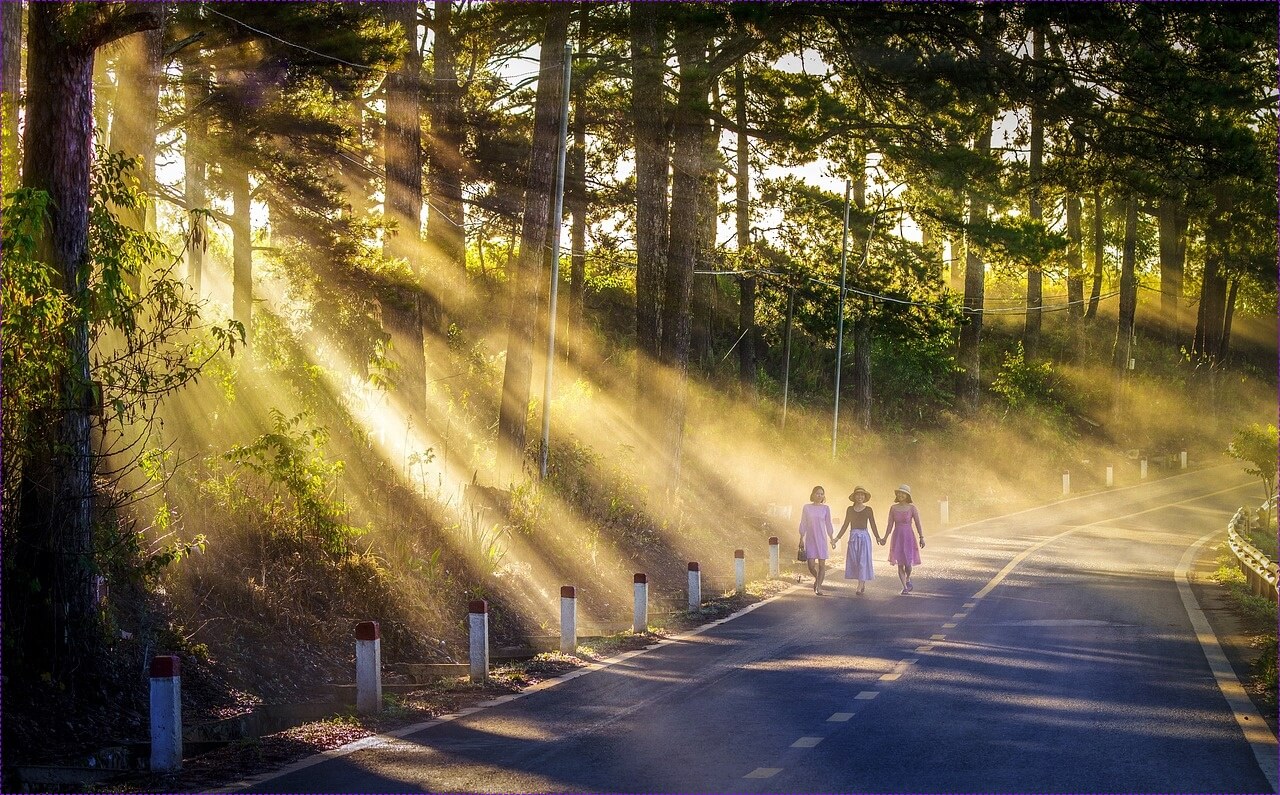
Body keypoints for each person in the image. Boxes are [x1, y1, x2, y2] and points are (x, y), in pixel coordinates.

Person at [833, 486, 879, 595]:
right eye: (858, 495)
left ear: (864, 497)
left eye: (862, 495)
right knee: (855, 561)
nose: (860, 497)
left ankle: (860, 584)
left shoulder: (868, 509)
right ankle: (861, 581)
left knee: (863, 561)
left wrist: (878, 537)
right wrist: (837, 538)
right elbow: (845, 524)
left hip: (864, 537)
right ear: (854, 497)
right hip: (853, 537)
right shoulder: (850, 509)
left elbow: (873, 524)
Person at [884, 484, 925, 595]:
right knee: (900, 563)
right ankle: (904, 587)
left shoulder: (912, 508)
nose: (901, 495)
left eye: (903, 493)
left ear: (907, 496)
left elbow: (917, 523)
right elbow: (890, 524)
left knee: (908, 564)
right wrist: (885, 537)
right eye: (899, 493)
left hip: (908, 537)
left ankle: (908, 578)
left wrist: (921, 537)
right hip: (897, 536)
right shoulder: (893, 508)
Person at [798, 486, 835, 595]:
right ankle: (817, 578)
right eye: (817, 493)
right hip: (810, 538)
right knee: (811, 565)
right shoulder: (806, 507)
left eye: (822, 494)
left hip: (822, 539)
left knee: (822, 565)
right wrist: (801, 538)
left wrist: (832, 538)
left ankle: (819, 587)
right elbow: (803, 523)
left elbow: (828, 524)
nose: (819, 495)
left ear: (824, 496)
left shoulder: (826, 508)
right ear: (813, 494)